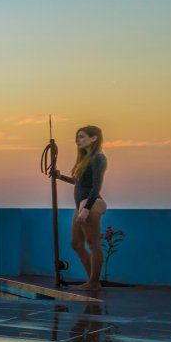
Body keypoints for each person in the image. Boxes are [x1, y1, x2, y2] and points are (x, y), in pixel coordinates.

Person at [52, 125, 108, 292]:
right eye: (77, 137)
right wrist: (60, 177)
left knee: (93, 243)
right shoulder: (85, 159)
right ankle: (93, 280)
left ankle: (93, 282)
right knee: (76, 244)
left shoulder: (99, 158)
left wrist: (86, 208)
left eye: (82, 137)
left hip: (91, 203)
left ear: (94, 138)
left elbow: (96, 186)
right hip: (83, 204)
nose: (78, 140)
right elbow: (80, 183)